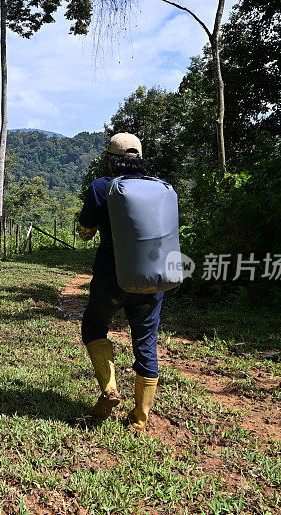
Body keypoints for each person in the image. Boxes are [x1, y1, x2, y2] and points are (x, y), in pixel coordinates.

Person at [76, 132, 164, 428]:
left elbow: (86, 230)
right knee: (146, 341)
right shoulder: (160, 188)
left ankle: (110, 388)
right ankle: (140, 417)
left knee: (94, 326)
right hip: (152, 280)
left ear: (111, 162)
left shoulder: (101, 187)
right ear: (141, 159)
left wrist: (88, 230)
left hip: (110, 278)